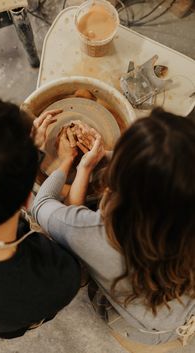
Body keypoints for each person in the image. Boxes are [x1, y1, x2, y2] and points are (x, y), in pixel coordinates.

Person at [31, 108, 195, 352]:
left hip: (139, 328)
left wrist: (74, 163)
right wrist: (108, 156)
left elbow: (41, 204)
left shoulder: (92, 231)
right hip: (177, 312)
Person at [0, 98, 81, 339]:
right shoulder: (58, 276)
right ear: (29, 200)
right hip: (10, 319)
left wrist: (28, 152)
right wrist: (67, 161)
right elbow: (73, 226)